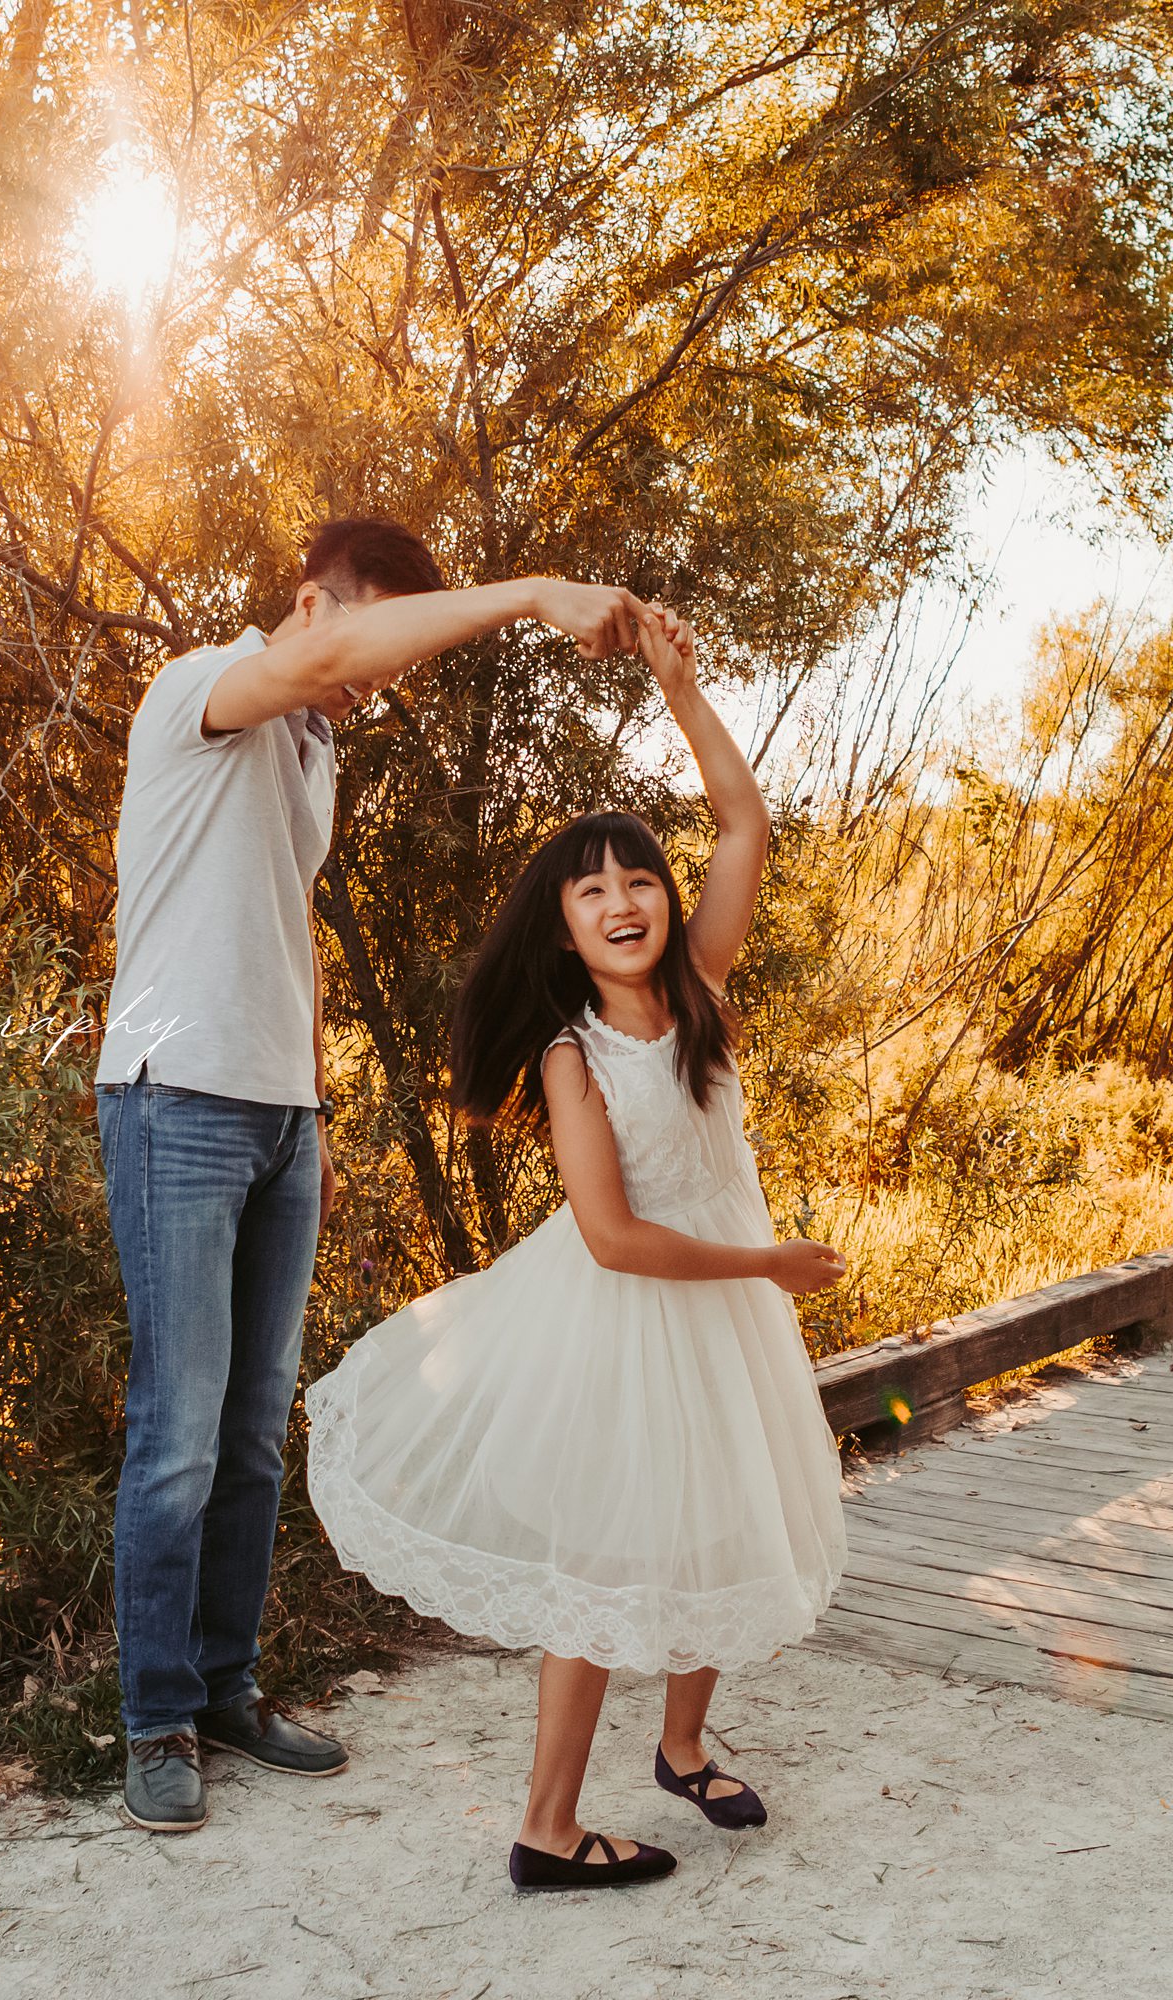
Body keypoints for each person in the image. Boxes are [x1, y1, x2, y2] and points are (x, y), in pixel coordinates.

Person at [95, 517, 652, 1835]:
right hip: (173, 1105)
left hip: (280, 1118)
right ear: (307, 605)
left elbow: (272, 929)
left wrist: (312, 1114)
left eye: (380, 682)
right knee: (176, 1435)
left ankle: (226, 1688)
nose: (368, 689)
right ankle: (154, 1718)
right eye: (361, 655)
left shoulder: (312, 745)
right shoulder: (205, 687)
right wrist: (528, 595)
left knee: (248, 1433)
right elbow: (334, 651)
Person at [303, 602, 849, 1892]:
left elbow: (747, 825)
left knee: (721, 1512)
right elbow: (609, 1239)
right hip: (631, 1304)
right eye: (591, 888)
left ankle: (680, 1746)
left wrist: (681, 691)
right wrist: (768, 1267)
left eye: (638, 877)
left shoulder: (699, 991)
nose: (623, 899)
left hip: (719, 1298)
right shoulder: (572, 1053)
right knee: (608, 1556)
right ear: (562, 928)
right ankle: (548, 1829)